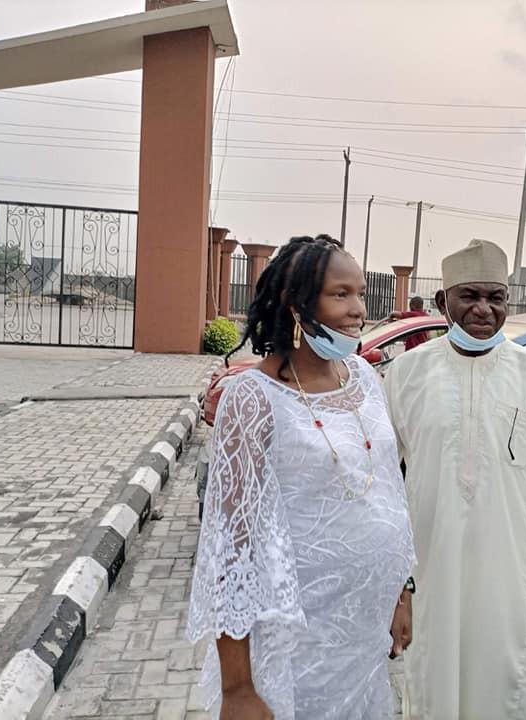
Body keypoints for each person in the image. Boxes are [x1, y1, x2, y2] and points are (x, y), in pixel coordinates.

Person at [186, 234, 415, 720]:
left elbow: (390, 496)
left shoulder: (364, 378)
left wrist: (401, 592)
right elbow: (231, 547)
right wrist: (237, 688)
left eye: (360, 293)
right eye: (340, 294)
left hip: (362, 637)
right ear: (296, 304)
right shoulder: (253, 399)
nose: (358, 310)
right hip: (296, 643)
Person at [383, 239, 526, 719]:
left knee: (507, 669)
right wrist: (391, 573)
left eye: (495, 297)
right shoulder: (406, 372)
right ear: (442, 302)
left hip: (512, 557)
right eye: (469, 295)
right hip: (431, 556)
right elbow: (385, 476)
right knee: (433, 668)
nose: (483, 309)